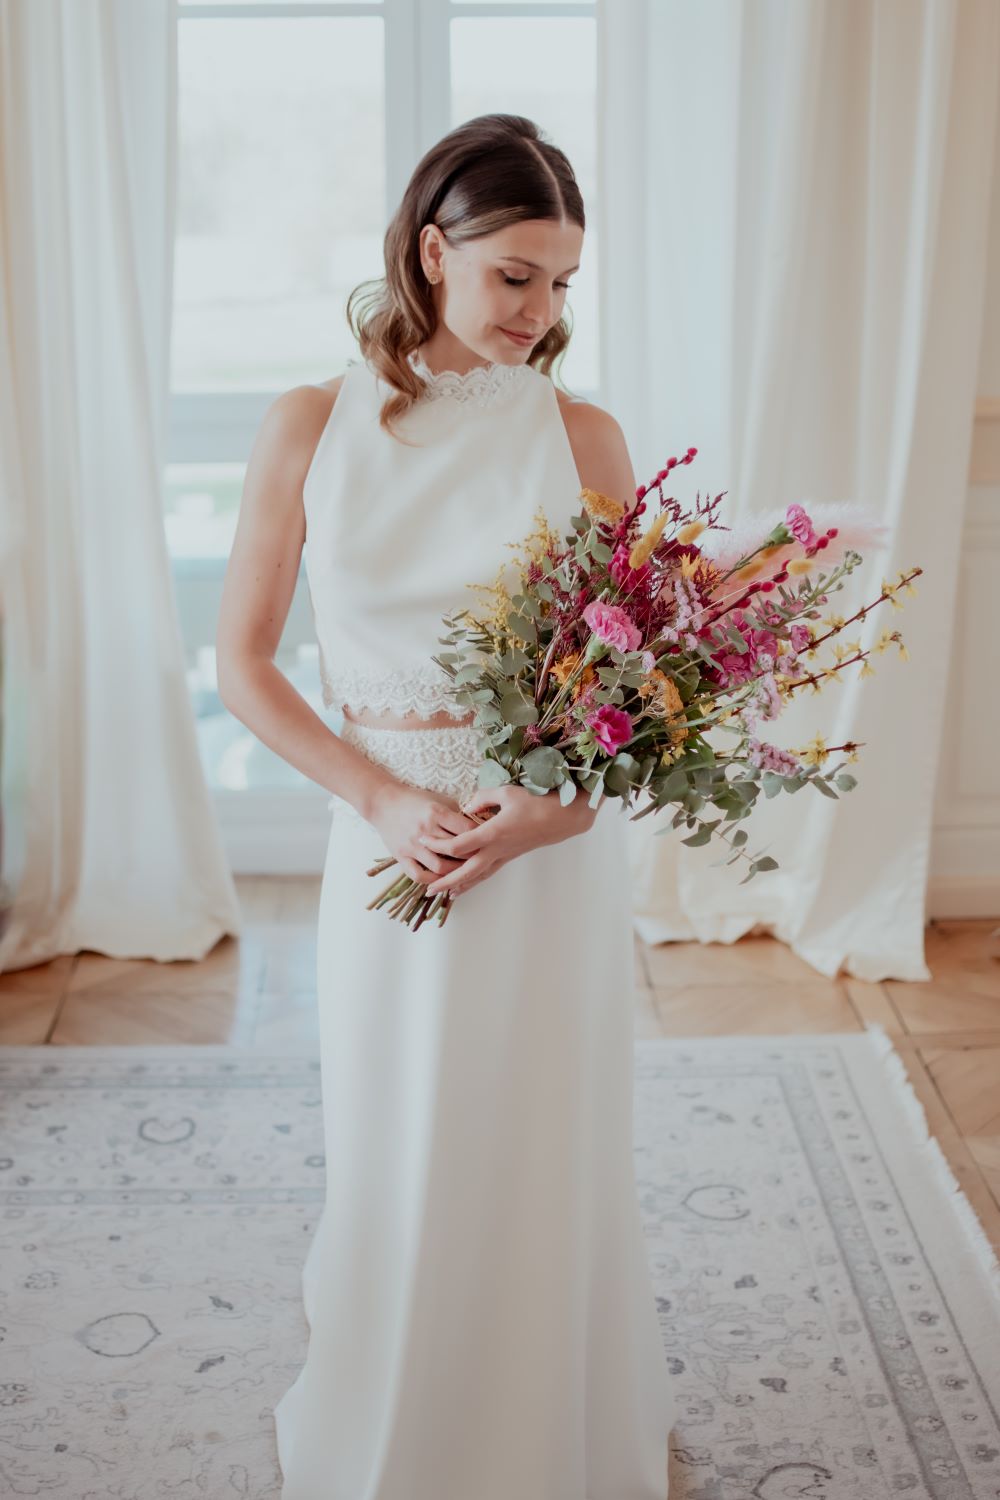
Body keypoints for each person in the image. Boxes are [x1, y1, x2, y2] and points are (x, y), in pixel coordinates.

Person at [216, 111, 676, 1500]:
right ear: (433, 252)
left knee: (538, 1148)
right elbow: (241, 665)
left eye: (562, 285)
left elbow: (644, 688)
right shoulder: (310, 424)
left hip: (541, 856)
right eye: (514, 278)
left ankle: (549, 1434)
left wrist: (559, 811)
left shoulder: (584, 437)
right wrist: (379, 801)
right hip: (387, 846)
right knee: (402, 1145)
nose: (540, 314)